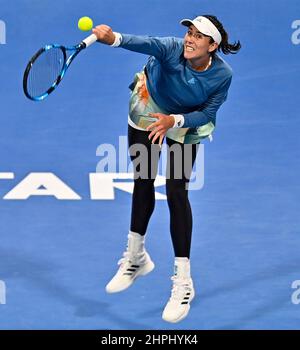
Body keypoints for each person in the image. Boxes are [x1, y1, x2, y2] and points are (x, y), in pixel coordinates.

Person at [92, 15, 241, 323]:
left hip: (184, 121)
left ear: (213, 46)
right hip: (150, 107)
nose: (190, 39)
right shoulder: (171, 49)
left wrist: (174, 121)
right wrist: (113, 38)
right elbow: (142, 42)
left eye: (199, 37)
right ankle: (136, 257)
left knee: (176, 190)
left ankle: (184, 282)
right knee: (143, 179)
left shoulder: (222, 76)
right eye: (189, 32)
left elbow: (207, 113)